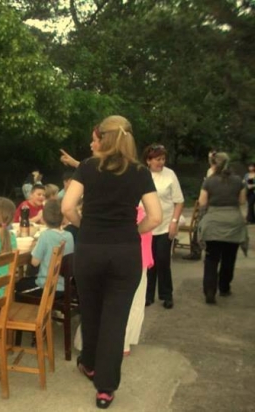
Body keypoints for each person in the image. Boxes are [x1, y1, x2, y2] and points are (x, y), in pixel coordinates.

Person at [62, 115, 162, 409]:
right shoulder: (140, 172)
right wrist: (134, 230)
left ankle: (89, 364)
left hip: (90, 250)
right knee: (115, 320)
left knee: (91, 311)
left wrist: (84, 225)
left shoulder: (87, 167)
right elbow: (156, 217)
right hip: (124, 253)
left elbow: (67, 207)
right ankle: (105, 389)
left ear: (103, 138)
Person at [74, 206, 153, 356]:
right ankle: (121, 343)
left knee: (101, 303)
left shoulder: (107, 211)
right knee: (131, 304)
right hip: (134, 259)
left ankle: (91, 343)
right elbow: (155, 219)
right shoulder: (138, 213)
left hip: (112, 256)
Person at [198, 152, 248, 304]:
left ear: (213, 164)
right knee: (229, 258)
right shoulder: (238, 181)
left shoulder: (209, 182)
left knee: (211, 258)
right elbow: (242, 201)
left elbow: (202, 202)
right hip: (233, 222)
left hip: (213, 223)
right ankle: (224, 287)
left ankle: (210, 291)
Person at [143, 144, 184, 309]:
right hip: (146, 226)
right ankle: (147, 295)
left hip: (165, 224)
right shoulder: (142, 175)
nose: (161, 162)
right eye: (157, 159)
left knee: (162, 260)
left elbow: (179, 201)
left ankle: (166, 295)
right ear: (148, 161)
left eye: (163, 159)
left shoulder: (170, 174)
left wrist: (174, 222)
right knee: (149, 262)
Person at [15, 199, 74, 298]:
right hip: (65, 286)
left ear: (44, 218)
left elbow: (35, 262)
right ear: (63, 217)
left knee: (16, 286)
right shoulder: (69, 235)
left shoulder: (45, 236)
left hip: (46, 287)